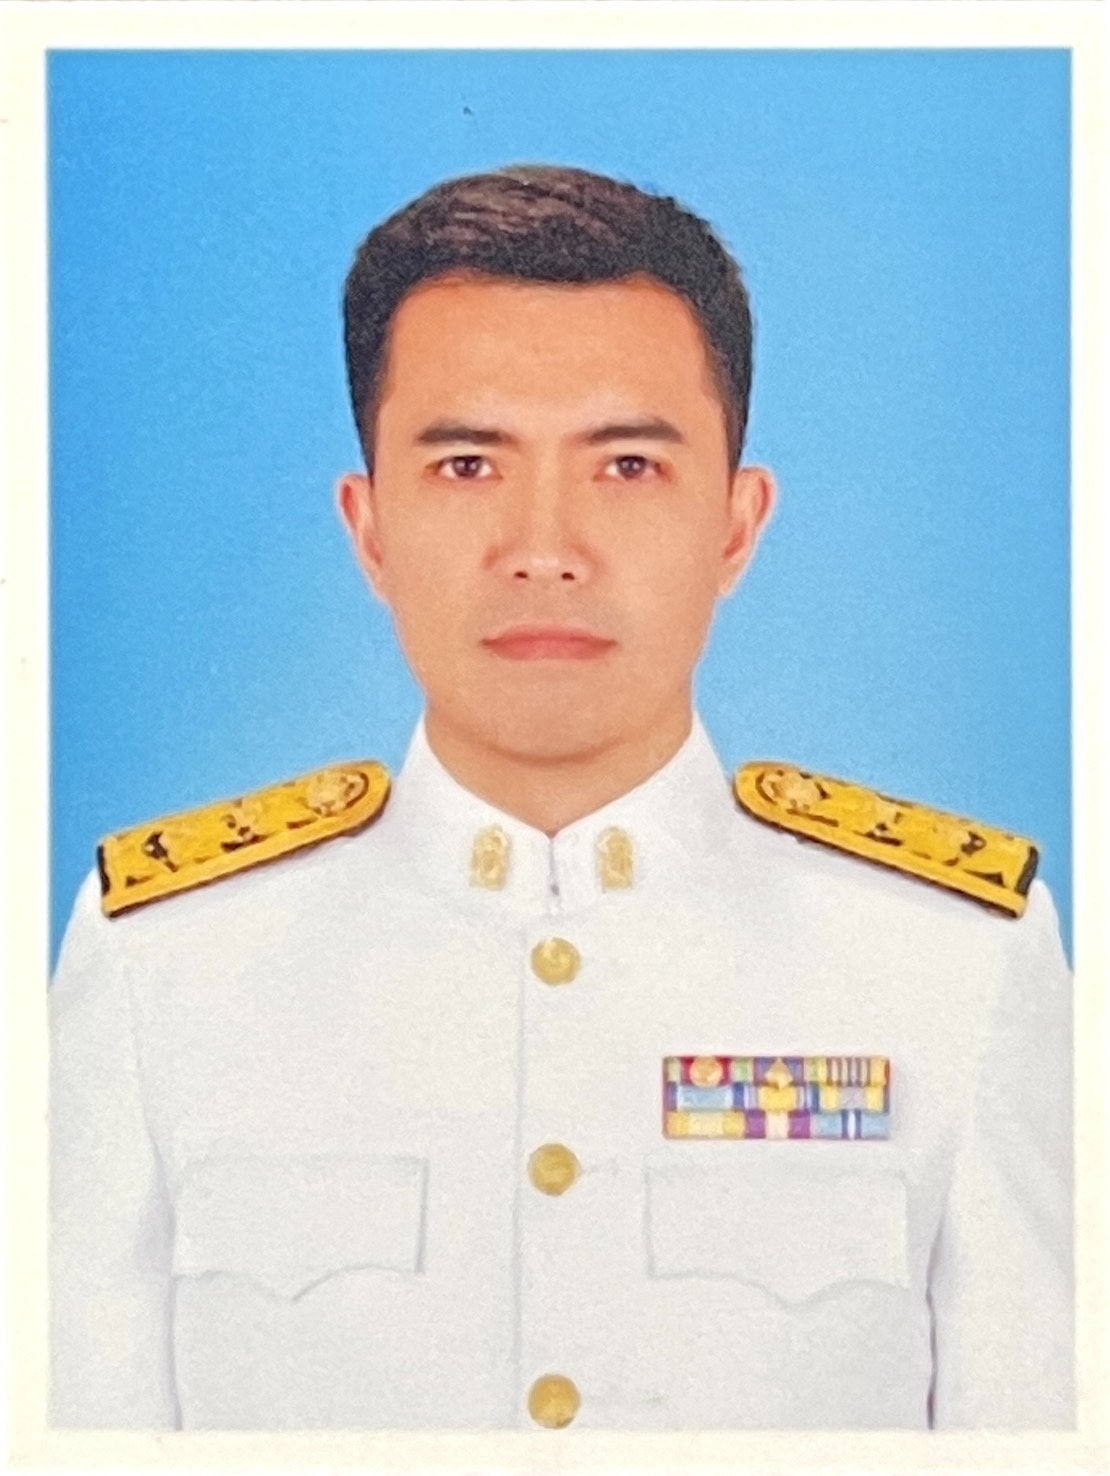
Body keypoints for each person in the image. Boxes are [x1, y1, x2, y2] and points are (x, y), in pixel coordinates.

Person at [48, 164, 1073, 1432]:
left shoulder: (954, 963)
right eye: (467, 464)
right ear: (369, 529)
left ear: (737, 525)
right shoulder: (161, 963)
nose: (544, 548)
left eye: (628, 465)